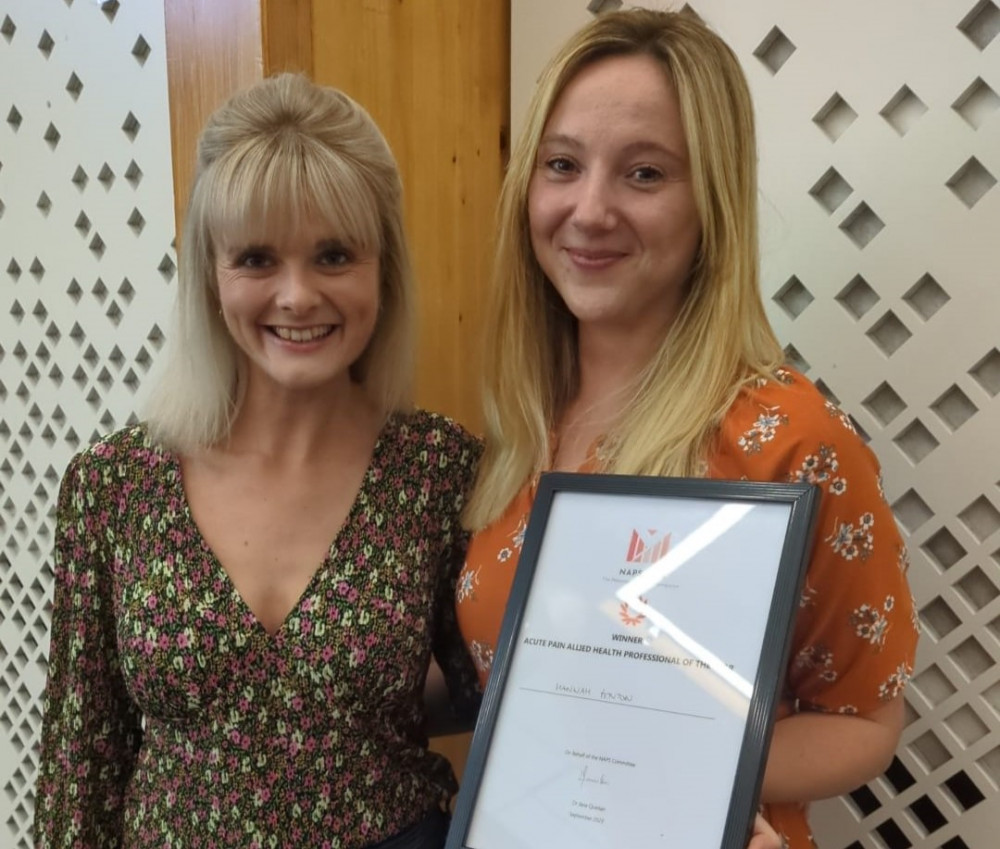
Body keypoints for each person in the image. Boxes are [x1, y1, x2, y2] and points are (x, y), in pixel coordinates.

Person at [456, 8, 918, 849]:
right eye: (562, 165)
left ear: (712, 198)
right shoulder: (523, 420)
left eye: (644, 173)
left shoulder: (790, 440)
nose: (589, 210)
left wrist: (669, 764)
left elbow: (864, 720)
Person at [33, 73, 480, 849]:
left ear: (385, 268)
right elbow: (82, 760)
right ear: (211, 271)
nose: (297, 295)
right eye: (257, 258)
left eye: (334, 254)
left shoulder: (440, 471)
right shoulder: (114, 486)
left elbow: (499, 691)